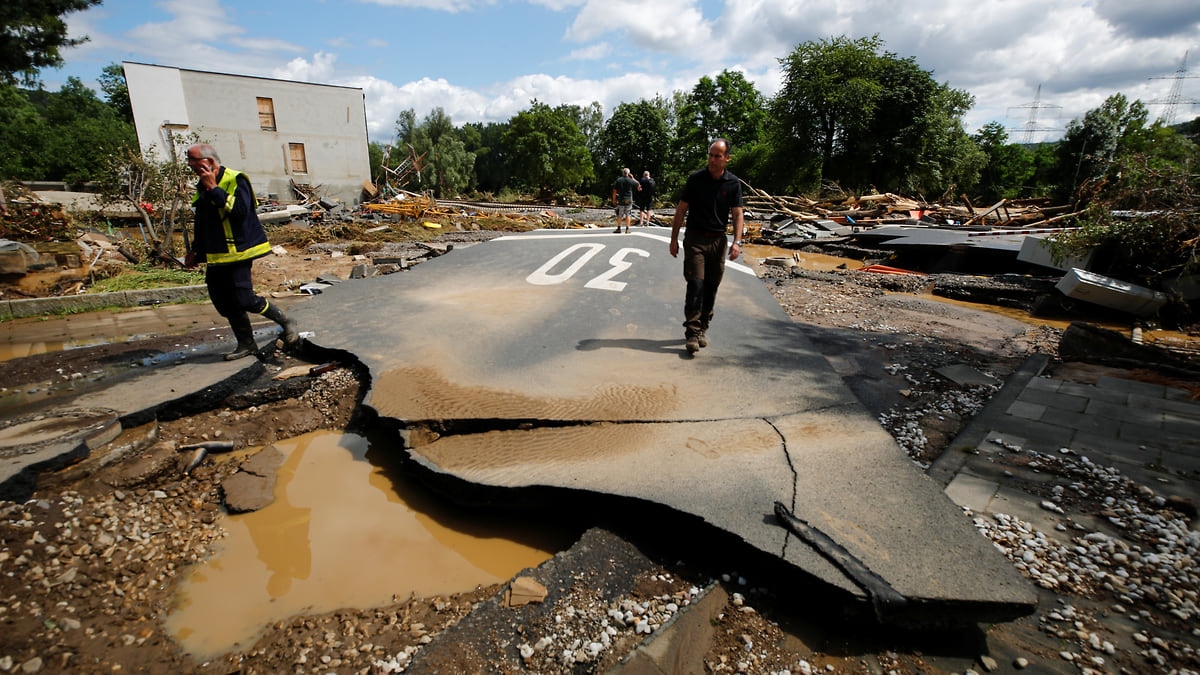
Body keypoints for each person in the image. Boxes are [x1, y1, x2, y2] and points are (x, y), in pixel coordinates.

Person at [185, 143, 298, 360]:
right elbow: (203, 222)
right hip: (216, 255)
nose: (190, 164)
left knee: (245, 299)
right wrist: (195, 251)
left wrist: (214, 189)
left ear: (208, 162)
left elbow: (240, 212)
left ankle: (286, 321)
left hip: (238, 252)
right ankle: (246, 344)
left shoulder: (235, 180)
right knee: (223, 302)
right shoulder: (202, 186)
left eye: (193, 160)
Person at [669, 138, 744, 355]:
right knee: (696, 286)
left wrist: (737, 242)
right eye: (710, 155)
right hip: (695, 239)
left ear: (726, 159)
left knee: (711, 288)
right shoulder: (696, 179)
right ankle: (692, 333)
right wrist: (674, 239)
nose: (712, 159)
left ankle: (703, 328)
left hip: (718, 242)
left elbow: (737, 213)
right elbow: (681, 210)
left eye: (717, 156)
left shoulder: (733, 183)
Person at [612, 168, 640, 234]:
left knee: (619, 214)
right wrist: (633, 178)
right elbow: (638, 185)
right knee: (628, 214)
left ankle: (619, 228)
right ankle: (627, 229)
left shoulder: (619, 180)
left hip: (621, 199)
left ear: (623, 173)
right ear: (628, 173)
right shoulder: (630, 180)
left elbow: (614, 191)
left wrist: (614, 199)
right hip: (629, 199)